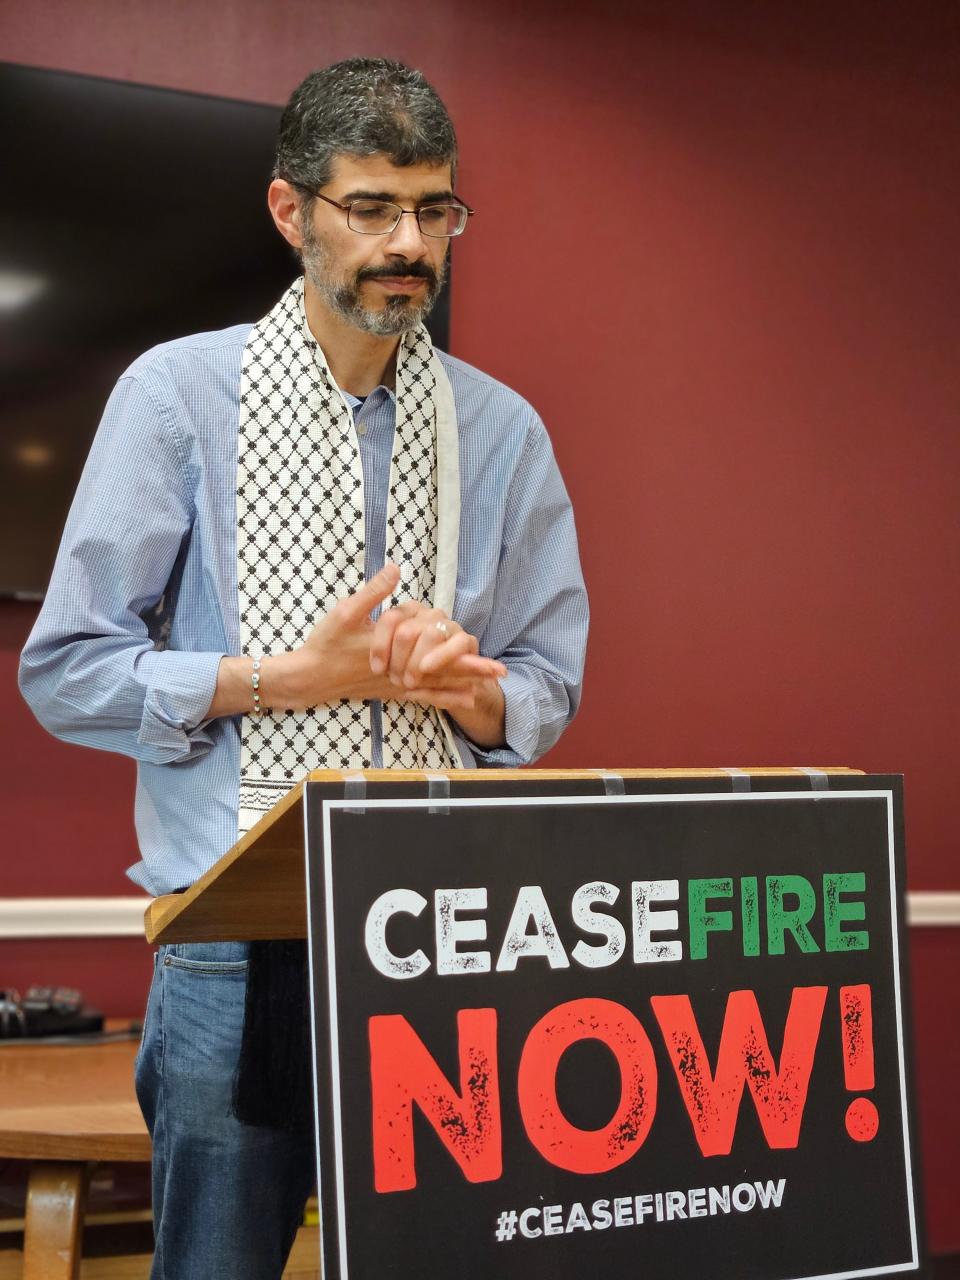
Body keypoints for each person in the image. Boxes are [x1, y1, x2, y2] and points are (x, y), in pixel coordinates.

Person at [19, 57, 588, 1279]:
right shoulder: (173, 399)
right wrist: (288, 675)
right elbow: (65, 671)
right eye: (373, 207)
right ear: (292, 212)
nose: (410, 243)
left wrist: (471, 690)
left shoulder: (503, 431)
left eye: (435, 210)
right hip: (235, 954)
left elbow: (545, 683)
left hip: (447, 939)